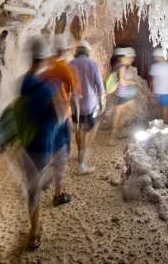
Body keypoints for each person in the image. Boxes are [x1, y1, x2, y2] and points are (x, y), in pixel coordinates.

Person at [17, 36, 63, 251]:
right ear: (43, 60)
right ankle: (34, 232)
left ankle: (35, 225)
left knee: (32, 187)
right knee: (36, 186)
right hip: (41, 146)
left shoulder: (23, 82)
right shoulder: (48, 88)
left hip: (24, 145)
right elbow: (60, 117)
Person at [42, 34, 78, 206]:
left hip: (45, 113)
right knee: (62, 152)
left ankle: (45, 174)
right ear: (63, 50)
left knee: (49, 146)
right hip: (60, 112)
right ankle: (58, 193)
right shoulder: (63, 67)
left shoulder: (45, 67)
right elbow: (72, 89)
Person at [69, 40, 104, 174]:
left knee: (78, 129)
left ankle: (80, 153)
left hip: (75, 104)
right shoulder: (92, 64)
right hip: (89, 104)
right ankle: (81, 164)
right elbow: (99, 85)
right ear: (88, 51)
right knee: (88, 129)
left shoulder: (70, 64)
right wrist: (101, 102)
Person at [110, 47, 137, 143]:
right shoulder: (122, 67)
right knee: (119, 116)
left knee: (121, 115)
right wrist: (133, 82)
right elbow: (122, 82)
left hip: (122, 95)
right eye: (131, 58)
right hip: (123, 96)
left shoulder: (120, 66)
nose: (132, 60)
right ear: (125, 58)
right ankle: (112, 138)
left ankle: (118, 133)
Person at [148, 47, 168, 122]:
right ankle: (165, 120)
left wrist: (152, 90)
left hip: (157, 91)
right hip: (167, 91)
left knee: (159, 106)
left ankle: (161, 119)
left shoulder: (154, 66)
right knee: (165, 107)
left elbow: (152, 80)